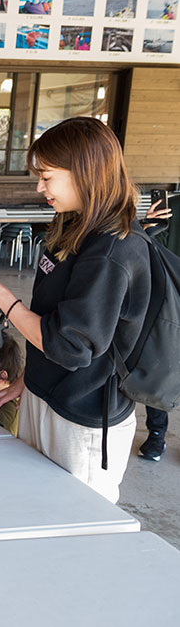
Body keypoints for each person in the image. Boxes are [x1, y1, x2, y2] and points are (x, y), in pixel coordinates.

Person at [0, 116, 152, 503]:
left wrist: (0, 295)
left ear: (86, 173)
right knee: (33, 505)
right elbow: (52, 319)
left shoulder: (113, 251)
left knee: (74, 518)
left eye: (47, 177)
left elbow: (68, 346)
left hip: (82, 418)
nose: (39, 187)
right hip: (44, 397)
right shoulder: (71, 226)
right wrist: (29, 380)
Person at [137, 196, 174, 461]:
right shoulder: (173, 206)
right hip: (166, 299)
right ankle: (157, 435)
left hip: (165, 299)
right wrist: (146, 227)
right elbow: (147, 247)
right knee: (159, 368)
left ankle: (157, 436)